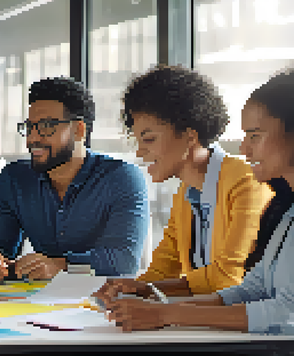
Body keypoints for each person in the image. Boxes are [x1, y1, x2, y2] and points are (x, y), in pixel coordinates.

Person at [104, 68, 294, 334]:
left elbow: (230, 278)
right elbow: (254, 287)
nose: (244, 149)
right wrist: (136, 292)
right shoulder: (188, 193)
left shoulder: (245, 181)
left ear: (190, 136)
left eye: (255, 136)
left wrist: (165, 312)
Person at [0, 76, 150, 284]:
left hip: (101, 303)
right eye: (30, 127)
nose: (33, 138)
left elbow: (124, 260)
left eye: (46, 126)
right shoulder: (13, 179)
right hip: (34, 302)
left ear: (79, 130)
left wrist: (62, 266)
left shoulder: (122, 178)